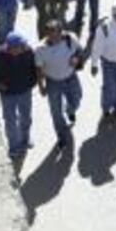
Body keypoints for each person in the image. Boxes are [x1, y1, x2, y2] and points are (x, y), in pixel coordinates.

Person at [0, 32, 37, 160]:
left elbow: (35, 68)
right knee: (10, 122)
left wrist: (32, 82)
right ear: (10, 48)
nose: (23, 48)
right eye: (19, 47)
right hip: (8, 94)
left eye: (23, 45)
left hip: (25, 92)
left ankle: (25, 140)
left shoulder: (28, 52)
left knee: (26, 118)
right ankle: (14, 147)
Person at [35, 20, 84, 151]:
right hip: (53, 82)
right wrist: (41, 86)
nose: (54, 38)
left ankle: (70, 110)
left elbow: (79, 50)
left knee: (77, 99)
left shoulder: (70, 38)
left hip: (70, 78)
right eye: (50, 35)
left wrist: (76, 59)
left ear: (61, 32)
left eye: (56, 34)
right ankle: (61, 136)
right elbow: (39, 69)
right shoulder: (40, 49)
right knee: (56, 112)